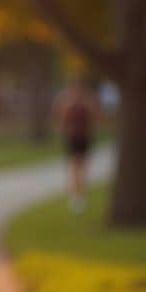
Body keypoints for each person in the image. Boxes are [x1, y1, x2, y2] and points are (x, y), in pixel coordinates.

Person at [53, 77, 101, 213]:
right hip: (72, 137)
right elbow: (60, 120)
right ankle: (75, 196)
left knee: (83, 166)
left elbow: (97, 118)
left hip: (85, 137)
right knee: (74, 166)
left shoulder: (88, 101)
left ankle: (80, 193)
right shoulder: (65, 101)